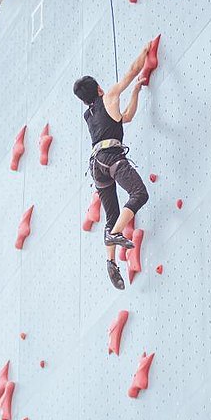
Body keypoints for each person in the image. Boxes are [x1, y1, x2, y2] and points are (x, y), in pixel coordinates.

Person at [73, 42, 151, 290]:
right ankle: (114, 234)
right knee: (139, 194)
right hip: (112, 158)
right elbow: (130, 71)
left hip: (97, 166)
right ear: (98, 88)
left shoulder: (90, 114)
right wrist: (145, 51)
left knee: (112, 216)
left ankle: (111, 262)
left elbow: (125, 117)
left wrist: (136, 92)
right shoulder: (108, 96)